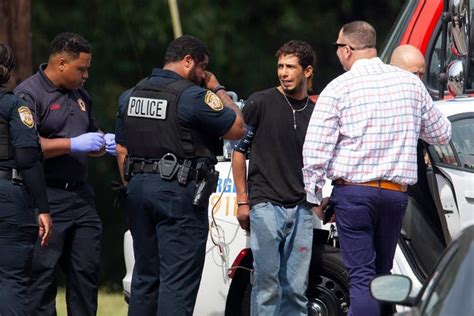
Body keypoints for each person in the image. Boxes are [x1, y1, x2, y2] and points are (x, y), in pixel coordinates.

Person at [302, 21, 451, 316]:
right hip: (395, 196)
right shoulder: (410, 84)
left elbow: (315, 150)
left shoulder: (339, 88)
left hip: (354, 194)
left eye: (337, 48)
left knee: (361, 278)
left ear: (347, 50)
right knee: (382, 278)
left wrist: (314, 194)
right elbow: (442, 133)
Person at [114, 35, 244, 315]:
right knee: (177, 281)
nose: (203, 74)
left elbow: (121, 148)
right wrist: (217, 87)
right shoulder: (192, 96)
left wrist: (133, 186)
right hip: (177, 194)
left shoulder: (131, 95)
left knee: (145, 277)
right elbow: (237, 127)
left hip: (137, 191)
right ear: (188, 61)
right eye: (202, 67)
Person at [14, 33, 116, 316]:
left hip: (80, 197)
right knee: (41, 276)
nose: (85, 76)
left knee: (86, 272)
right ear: (60, 63)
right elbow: (26, 147)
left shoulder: (81, 96)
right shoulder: (29, 95)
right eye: (81, 69)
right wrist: (73, 144)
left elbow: (90, 137)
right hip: (45, 195)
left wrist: (101, 141)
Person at [232, 40, 316, 316]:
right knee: (267, 285)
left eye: (290, 66)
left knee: (295, 289)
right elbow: (238, 153)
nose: (283, 72)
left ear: (307, 71)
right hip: (265, 204)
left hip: (302, 208)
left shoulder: (316, 112)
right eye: (280, 66)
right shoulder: (260, 101)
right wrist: (243, 201)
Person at [0, 43, 52, 315]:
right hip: (8, 196)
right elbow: (27, 159)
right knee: (11, 279)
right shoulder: (14, 106)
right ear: (7, 71)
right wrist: (43, 208)